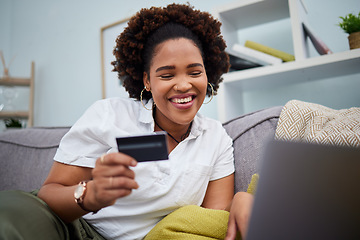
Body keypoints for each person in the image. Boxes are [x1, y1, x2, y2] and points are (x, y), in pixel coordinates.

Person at [0, 3, 253, 240]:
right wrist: (91, 195)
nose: (184, 84)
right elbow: (50, 192)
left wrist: (241, 198)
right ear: (147, 81)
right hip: (74, 228)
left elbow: (210, 220)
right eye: (166, 75)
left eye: (195, 72)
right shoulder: (110, 115)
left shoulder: (216, 138)